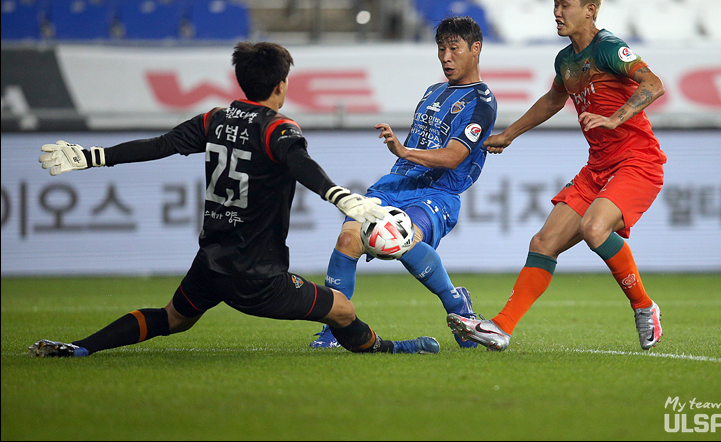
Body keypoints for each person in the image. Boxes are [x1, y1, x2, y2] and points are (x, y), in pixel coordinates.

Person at [29, 41, 441, 358]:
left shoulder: (214, 119)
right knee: (343, 310)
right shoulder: (278, 128)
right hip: (258, 277)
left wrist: (92, 156)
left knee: (173, 318)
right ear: (280, 86)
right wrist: (340, 197)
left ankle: (81, 348)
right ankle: (388, 349)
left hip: (211, 263)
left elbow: (159, 145)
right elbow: (299, 163)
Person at [447, 0, 666, 351]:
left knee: (595, 229)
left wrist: (615, 119)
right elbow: (552, 100)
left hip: (637, 162)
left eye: (565, 5)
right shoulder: (566, 59)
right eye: (555, 4)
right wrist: (509, 134)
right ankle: (501, 327)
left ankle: (645, 306)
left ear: (590, 10)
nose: (557, 12)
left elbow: (654, 84)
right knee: (543, 241)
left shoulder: (609, 48)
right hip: (598, 168)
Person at [309, 16, 497, 349]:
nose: (446, 57)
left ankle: (457, 306)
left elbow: (454, 157)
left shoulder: (482, 102)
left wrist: (404, 150)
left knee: (401, 239)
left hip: (438, 192)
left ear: (475, 49)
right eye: (441, 49)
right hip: (396, 183)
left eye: (454, 48)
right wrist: (404, 157)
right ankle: (334, 327)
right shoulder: (433, 91)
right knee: (347, 240)